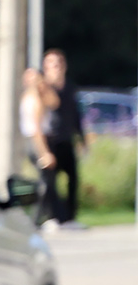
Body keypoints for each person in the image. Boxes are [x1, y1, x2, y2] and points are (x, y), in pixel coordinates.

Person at [37, 48, 87, 230]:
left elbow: (76, 116)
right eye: (51, 64)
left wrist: (82, 140)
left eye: (58, 64)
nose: (55, 68)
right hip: (49, 139)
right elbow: (37, 119)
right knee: (49, 182)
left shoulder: (70, 87)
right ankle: (51, 218)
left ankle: (70, 217)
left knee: (73, 179)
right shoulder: (42, 89)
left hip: (66, 139)